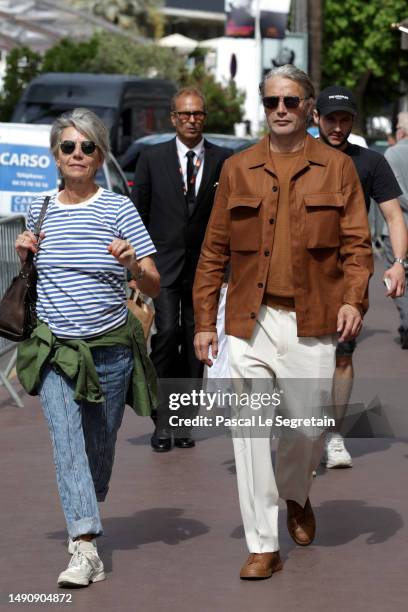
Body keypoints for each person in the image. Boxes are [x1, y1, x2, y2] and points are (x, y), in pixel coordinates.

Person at [193, 65, 373, 580]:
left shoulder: (338, 169)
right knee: (249, 435)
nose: (280, 110)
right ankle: (262, 544)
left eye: (291, 102)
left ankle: (295, 493)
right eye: (272, 101)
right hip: (251, 321)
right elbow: (214, 250)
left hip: (312, 322)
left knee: (305, 430)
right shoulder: (238, 168)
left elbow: (358, 246)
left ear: (309, 108)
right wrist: (206, 321)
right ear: (263, 105)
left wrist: (353, 301)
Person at [15, 108, 160, 588]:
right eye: (68, 147)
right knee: (66, 441)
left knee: (100, 447)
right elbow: (32, 277)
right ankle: (84, 545)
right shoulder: (40, 208)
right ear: (56, 155)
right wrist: (25, 254)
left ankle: (85, 507)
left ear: (100, 156)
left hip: (112, 349)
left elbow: (155, 284)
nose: (77, 155)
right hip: (56, 349)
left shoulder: (118, 209)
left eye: (87, 147)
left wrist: (133, 263)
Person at [131, 87, 230, 452]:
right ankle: (161, 419)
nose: (192, 120)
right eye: (185, 114)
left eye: (198, 114)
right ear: (173, 118)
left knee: (197, 344)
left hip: (204, 269)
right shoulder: (152, 158)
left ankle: (185, 422)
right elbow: (137, 212)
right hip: (161, 269)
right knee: (166, 334)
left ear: (204, 117)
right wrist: (138, 264)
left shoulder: (223, 160)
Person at [314, 87, 407, 468]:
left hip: (347, 276)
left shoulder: (370, 163)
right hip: (296, 275)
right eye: (330, 119)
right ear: (315, 118)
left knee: (341, 354)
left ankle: (333, 435)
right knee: (298, 360)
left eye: (344, 119)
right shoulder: (295, 157)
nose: (337, 127)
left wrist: (400, 261)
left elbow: (394, 215)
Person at [384, 112, 408, 347]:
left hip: (400, 226)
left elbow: (395, 195)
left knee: (399, 276)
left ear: (400, 130)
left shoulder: (393, 153)